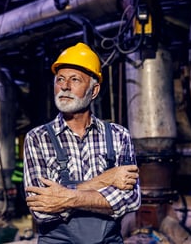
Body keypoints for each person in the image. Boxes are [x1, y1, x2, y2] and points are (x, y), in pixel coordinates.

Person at [23, 42, 141, 243]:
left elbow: (131, 200)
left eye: (75, 79)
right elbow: (41, 210)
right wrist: (106, 180)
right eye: (60, 79)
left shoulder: (119, 135)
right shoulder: (37, 138)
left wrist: (65, 197)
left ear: (94, 91)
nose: (65, 86)